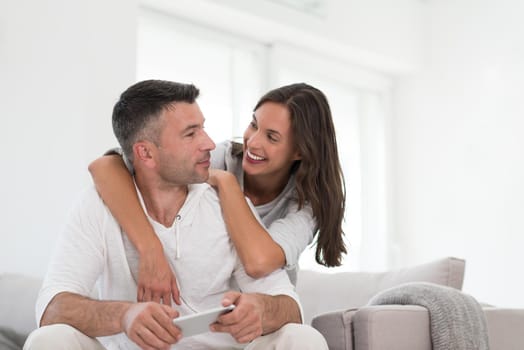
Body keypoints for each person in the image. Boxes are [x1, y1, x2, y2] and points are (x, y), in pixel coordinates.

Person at [24, 80, 328, 350]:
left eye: (204, 128)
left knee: (304, 339)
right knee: (47, 340)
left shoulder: (231, 202)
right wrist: (125, 314)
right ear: (145, 153)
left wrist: (260, 309)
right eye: (191, 133)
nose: (209, 143)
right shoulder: (99, 203)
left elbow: (289, 305)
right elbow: (51, 309)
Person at [88, 82, 347, 305]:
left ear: (300, 151)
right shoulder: (222, 157)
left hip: (260, 307)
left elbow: (258, 262)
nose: (253, 142)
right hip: (207, 302)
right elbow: (105, 166)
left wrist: (227, 185)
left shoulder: (306, 205)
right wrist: (150, 249)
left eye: (272, 137)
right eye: (253, 124)